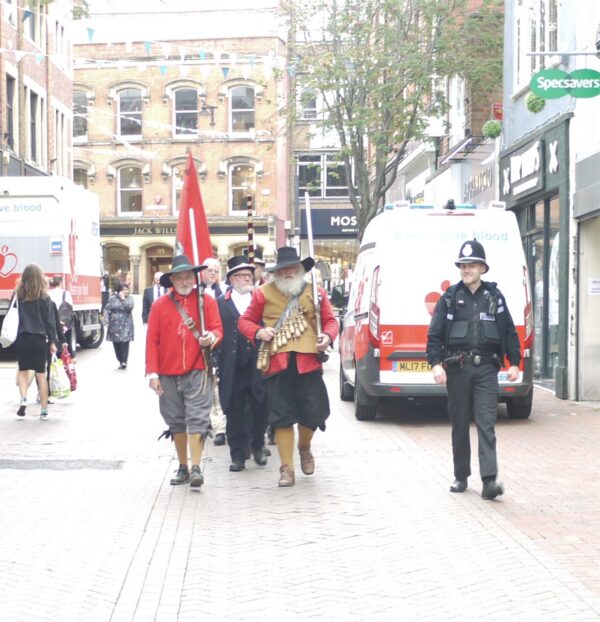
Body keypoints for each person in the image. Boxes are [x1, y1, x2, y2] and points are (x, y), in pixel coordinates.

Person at [426, 239, 521, 500]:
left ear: (482, 267)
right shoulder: (450, 298)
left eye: (471, 265)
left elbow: (508, 330)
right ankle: (461, 476)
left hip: (486, 370)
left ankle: (489, 481)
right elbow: (434, 334)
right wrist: (435, 364)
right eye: (463, 265)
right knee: (459, 423)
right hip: (457, 369)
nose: (466, 269)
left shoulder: (494, 297)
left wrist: (514, 362)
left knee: (486, 423)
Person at [239, 247, 338, 487]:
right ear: (276, 272)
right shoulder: (262, 293)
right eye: (283, 269)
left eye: (292, 268)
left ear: (300, 270)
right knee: (282, 418)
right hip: (278, 365)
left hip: (309, 364)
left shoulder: (317, 292)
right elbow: (244, 321)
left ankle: (304, 447)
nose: (287, 272)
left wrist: (327, 336)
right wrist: (259, 331)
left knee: (314, 414)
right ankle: (287, 468)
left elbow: (331, 321)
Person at [146, 254, 223, 489]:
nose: (184, 280)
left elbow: (217, 329)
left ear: (194, 277)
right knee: (176, 421)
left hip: (198, 369)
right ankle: (183, 466)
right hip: (167, 372)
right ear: (172, 280)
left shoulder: (206, 302)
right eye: (179, 276)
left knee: (198, 419)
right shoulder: (160, 305)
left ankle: (197, 467)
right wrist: (152, 374)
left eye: (188, 275)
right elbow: (152, 340)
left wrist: (211, 337)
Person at [216, 256, 269, 473]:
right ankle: (237, 455)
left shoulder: (262, 299)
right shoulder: (220, 303)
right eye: (241, 275)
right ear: (231, 279)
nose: (247, 278)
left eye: (249, 274)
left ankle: (257, 445)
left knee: (261, 408)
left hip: (259, 363)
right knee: (234, 411)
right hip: (232, 365)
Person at [13, 264, 58, 420]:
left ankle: (24, 399)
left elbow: (13, 315)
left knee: (23, 371)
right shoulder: (45, 298)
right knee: (41, 375)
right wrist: (52, 341)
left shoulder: (18, 295)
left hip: (22, 337)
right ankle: (44, 410)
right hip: (38, 339)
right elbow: (50, 322)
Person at [200, 256, 227, 444]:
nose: (213, 274)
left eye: (216, 271)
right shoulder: (195, 293)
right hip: (199, 347)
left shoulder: (224, 292)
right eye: (210, 270)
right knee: (204, 388)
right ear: (202, 272)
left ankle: (220, 428)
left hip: (218, 344)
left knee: (218, 389)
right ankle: (205, 422)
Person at [104, 283, 134, 369]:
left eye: (127, 289)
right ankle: (120, 360)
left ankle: (124, 361)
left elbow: (129, 308)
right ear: (119, 291)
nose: (126, 291)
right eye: (124, 290)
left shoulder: (130, 299)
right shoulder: (112, 299)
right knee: (116, 343)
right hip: (114, 325)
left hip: (126, 324)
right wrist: (106, 319)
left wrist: (123, 299)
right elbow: (107, 309)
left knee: (125, 343)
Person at [48, 275, 75, 356]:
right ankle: (68, 358)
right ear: (60, 282)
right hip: (65, 322)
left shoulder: (48, 293)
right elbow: (71, 306)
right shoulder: (66, 293)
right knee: (67, 340)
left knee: (53, 340)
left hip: (52, 320)